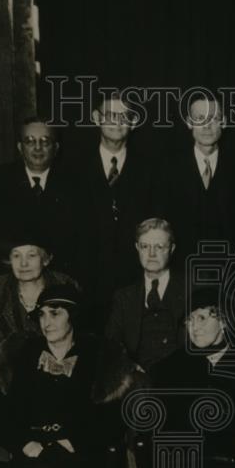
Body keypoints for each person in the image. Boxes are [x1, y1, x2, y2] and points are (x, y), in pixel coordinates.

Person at [0, 285, 140, 468]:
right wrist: (26, 444)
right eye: (42, 315)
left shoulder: (98, 357)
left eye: (55, 314)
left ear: (73, 317)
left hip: (78, 457)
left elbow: (111, 418)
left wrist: (70, 442)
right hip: (29, 456)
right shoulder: (22, 356)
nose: (46, 323)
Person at [0, 228, 77, 468]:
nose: (23, 264)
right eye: (16, 256)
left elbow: (85, 335)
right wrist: (2, 369)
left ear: (45, 258)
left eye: (31, 255)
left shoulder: (65, 285)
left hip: (53, 371)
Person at [149, 287, 235, 468]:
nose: (194, 328)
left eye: (202, 318)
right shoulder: (170, 368)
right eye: (189, 320)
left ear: (223, 321)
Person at [74, 92, 154, 307]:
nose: (117, 122)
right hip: (86, 282)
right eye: (110, 115)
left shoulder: (151, 169)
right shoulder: (73, 168)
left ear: (134, 122)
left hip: (135, 281)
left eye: (124, 116)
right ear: (96, 117)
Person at [0, 117, 84, 282]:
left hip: (61, 280)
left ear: (56, 147)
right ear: (20, 147)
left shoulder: (75, 183)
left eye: (45, 141)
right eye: (30, 141)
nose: (38, 148)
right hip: (10, 278)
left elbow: (80, 243)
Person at [153, 93, 235, 257]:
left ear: (224, 122)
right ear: (189, 122)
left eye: (213, 118)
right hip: (181, 272)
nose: (207, 126)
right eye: (199, 119)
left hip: (229, 271)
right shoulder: (167, 169)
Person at [104, 218, 186, 373]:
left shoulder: (191, 289)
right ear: (137, 248)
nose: (151, 254)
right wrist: (128, 367)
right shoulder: (123, 297)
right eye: (145, 246)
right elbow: (111, 345)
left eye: (159, 247)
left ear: (172, 249)